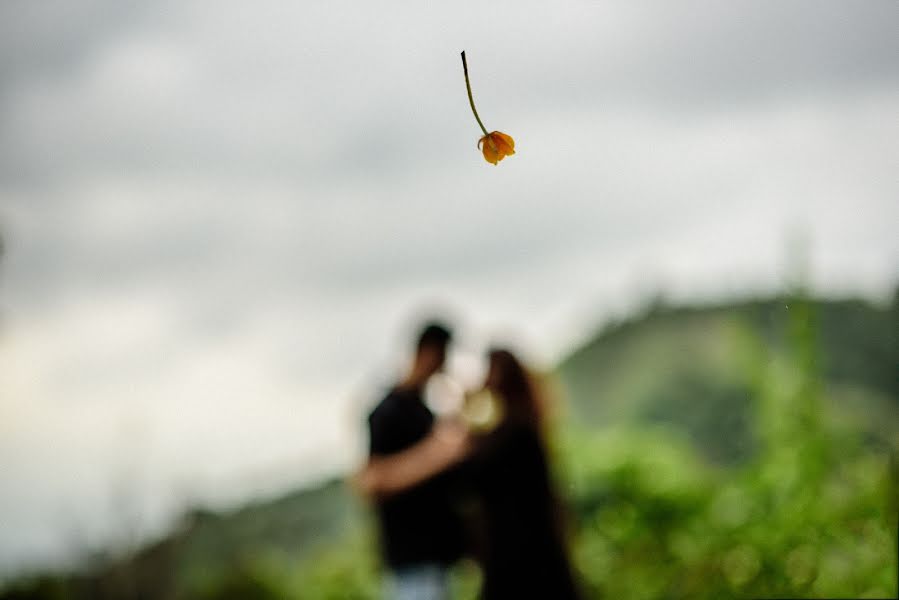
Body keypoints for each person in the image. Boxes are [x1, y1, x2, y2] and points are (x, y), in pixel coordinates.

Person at [359, 348, 581, 600]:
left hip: (516, 560)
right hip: (528, 558)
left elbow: (469, 475)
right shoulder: (520, 431)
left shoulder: (511, 436)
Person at [364, 321, 468, 600]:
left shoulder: (424, 412)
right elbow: (371, 481)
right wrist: (439, 453)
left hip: (438, 560)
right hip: (413, 564)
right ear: (430, 352)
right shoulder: (387, 412)